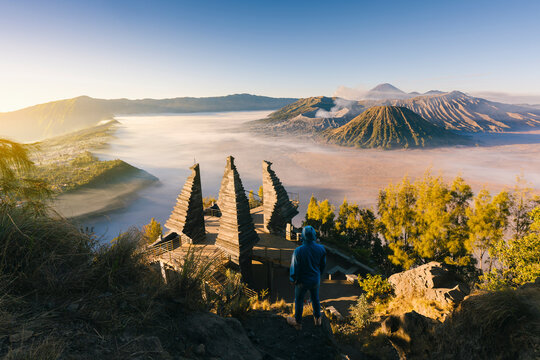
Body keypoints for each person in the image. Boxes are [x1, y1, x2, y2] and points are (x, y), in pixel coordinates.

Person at [287, 226, 326, 330]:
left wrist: (292, 279)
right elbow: (323, 266)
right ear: (314, 236)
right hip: (315, 280)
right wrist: (318, 275)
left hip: (302, 282)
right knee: (315, 299)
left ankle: (298, 323)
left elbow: (294, 267)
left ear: (303, 237)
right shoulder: (321, 249)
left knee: (299, 300)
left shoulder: (298, 251)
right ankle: (318, 320)